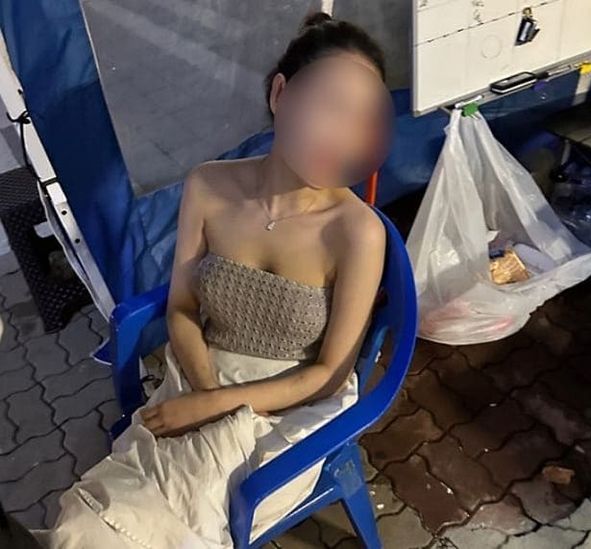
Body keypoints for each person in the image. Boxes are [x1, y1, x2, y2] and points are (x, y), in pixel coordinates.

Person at [6, 11, 390, 548]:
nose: (341, 134)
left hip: (289, 413)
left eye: (360, 119)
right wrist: (206, 394)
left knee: (111, 523)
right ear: (281, 94)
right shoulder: (208, 186)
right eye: (330, 106)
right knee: (95, 518)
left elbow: (328, 374)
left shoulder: (357, 232)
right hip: (199, 372)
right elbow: (182, 307)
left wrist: (216, 409)